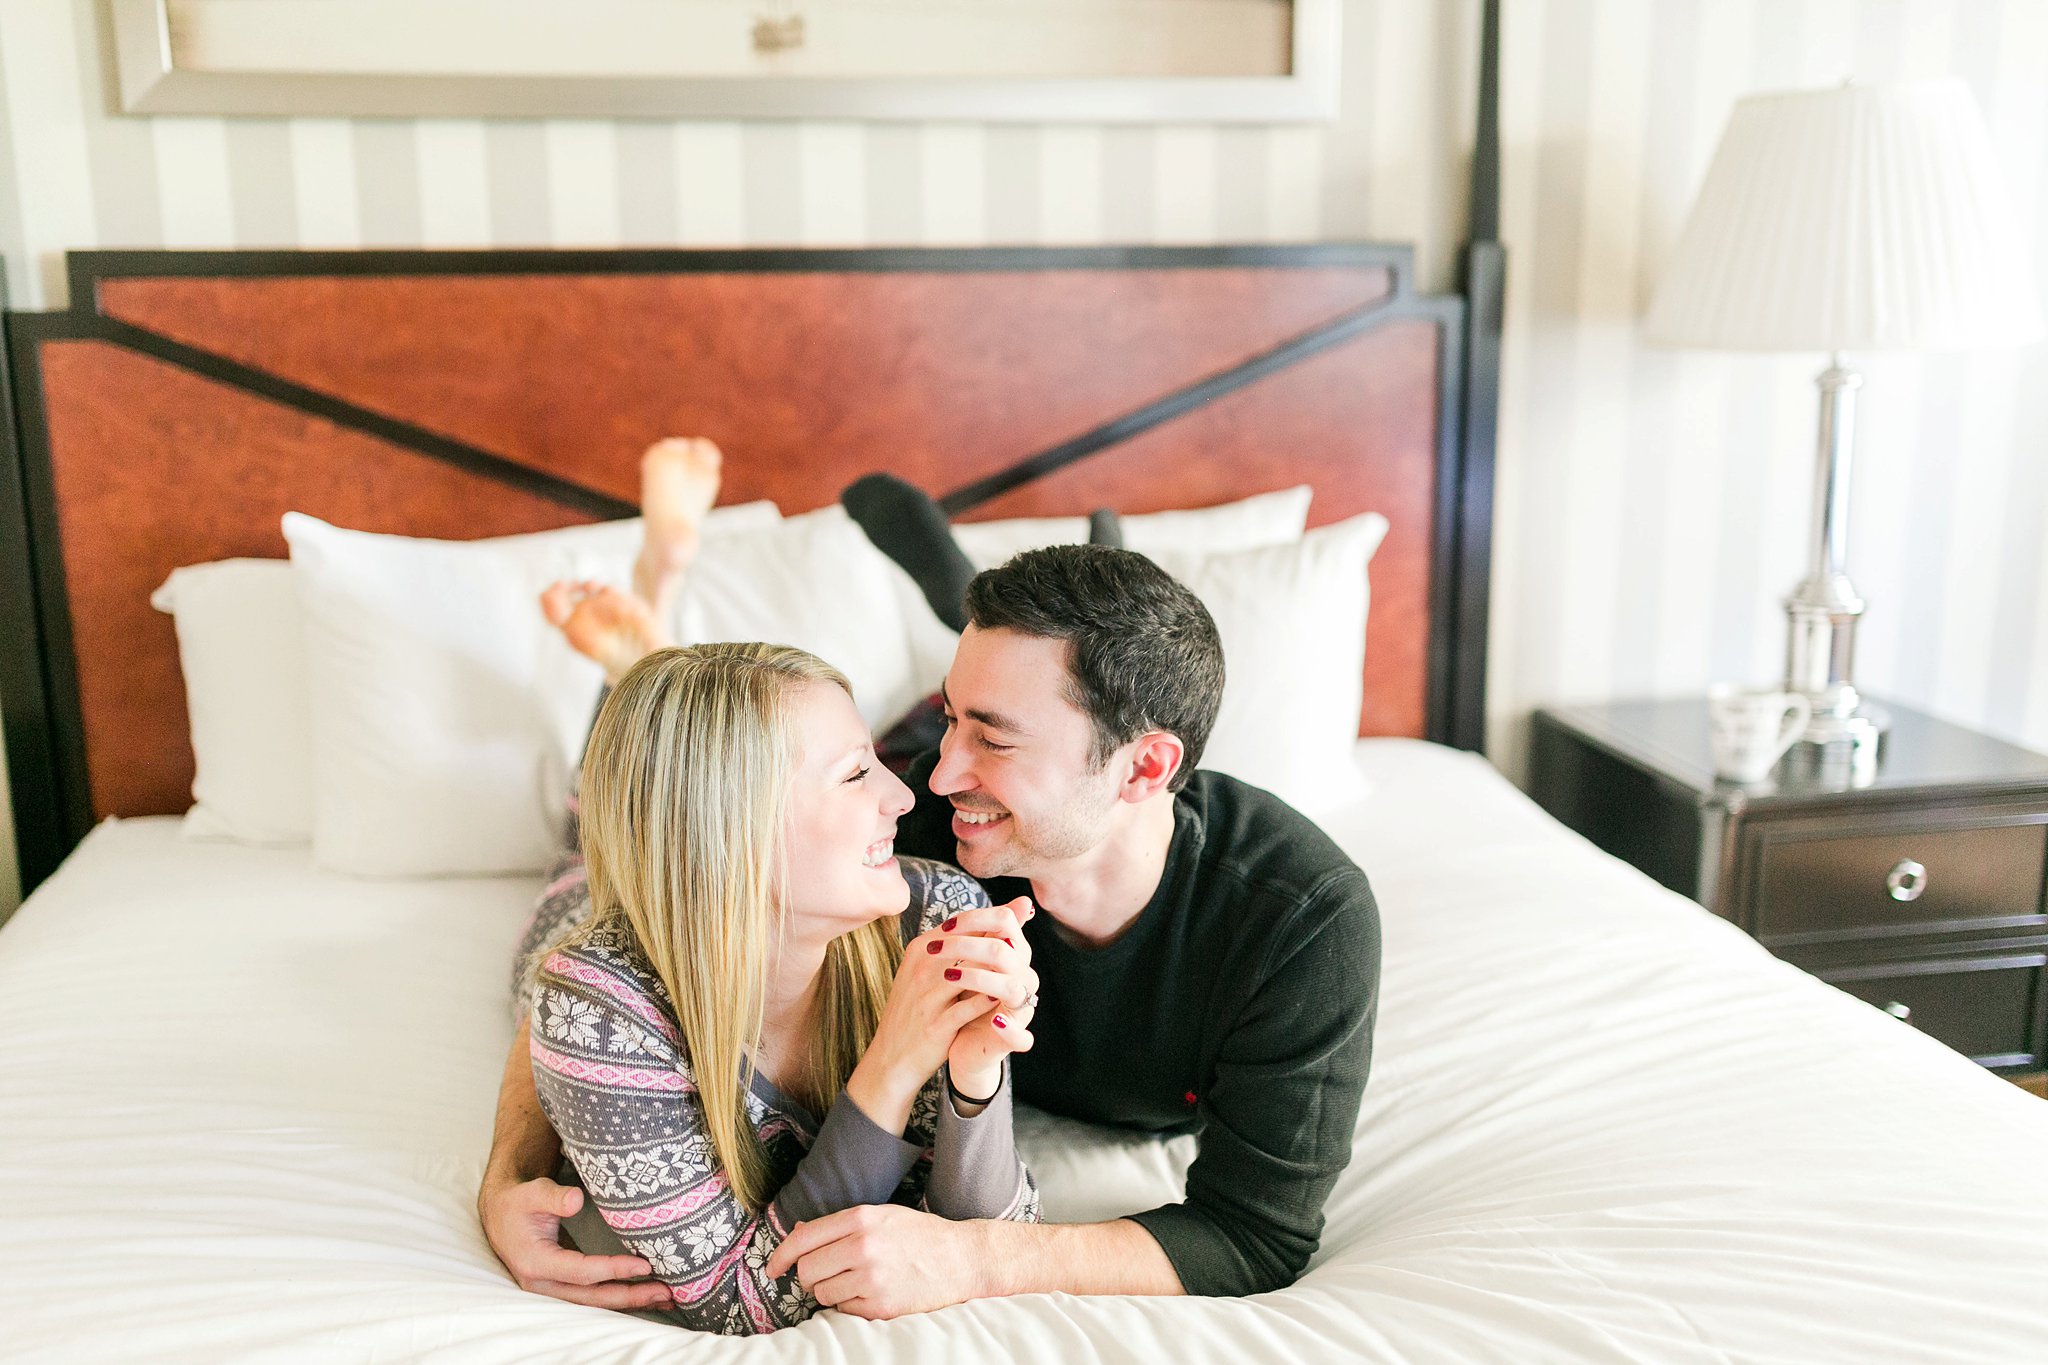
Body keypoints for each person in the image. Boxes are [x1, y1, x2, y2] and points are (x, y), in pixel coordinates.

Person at [482, 446, 1380, 1318]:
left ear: (1147, 769)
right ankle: (655, 653)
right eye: (953, 722)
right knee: (629, 817)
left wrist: (977, 1257)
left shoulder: (1299, 921)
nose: (931, 778)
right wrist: (510, 1169)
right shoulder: (912, 839)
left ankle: (952, 583)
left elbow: (1254, 1237)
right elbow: (634, 927)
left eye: (991, 736)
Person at [496, 440, 1041, 1335]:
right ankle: (652, 604)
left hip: (699, 844)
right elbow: (736, 1299)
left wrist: (976, 1080)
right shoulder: (598, 1011)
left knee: (652, 772)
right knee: (600, 825)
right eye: (855, 773)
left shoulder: (939, 912)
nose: (905, 798)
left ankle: (647, 645)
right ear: (741, 830)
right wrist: (898, 1060)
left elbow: (988, 1236)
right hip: (611, 893)